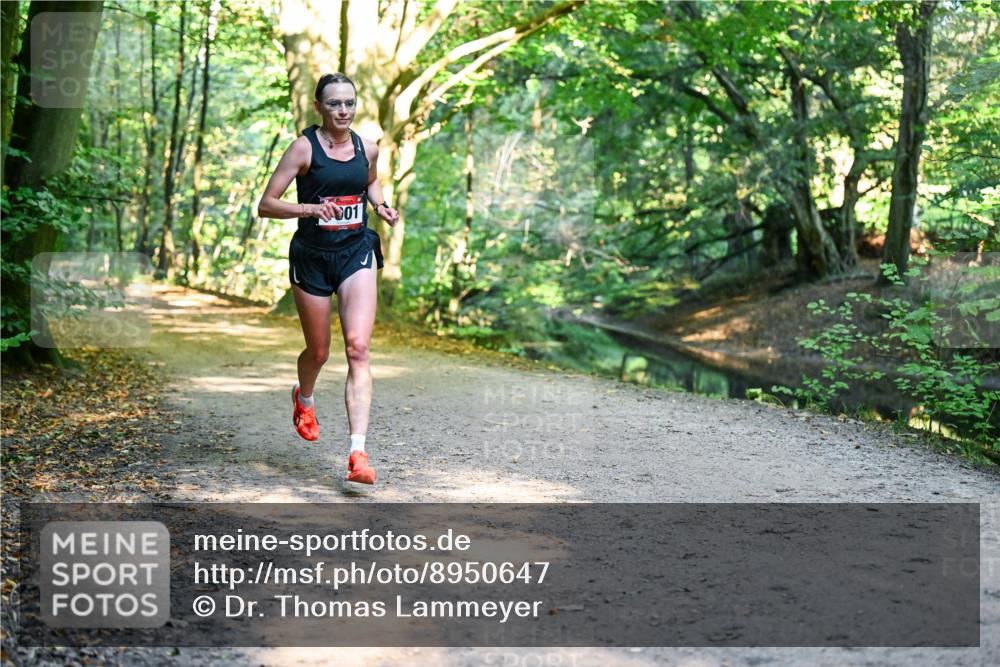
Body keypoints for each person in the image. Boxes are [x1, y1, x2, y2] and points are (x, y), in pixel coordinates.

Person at [257, 72, 399, 491]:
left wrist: (382, 206)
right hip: (313, 258)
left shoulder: (367, 148)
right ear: (318, 107)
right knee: (319, 351)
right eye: (334, 103)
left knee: (358, 348)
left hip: (356, 251)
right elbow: (266, 205)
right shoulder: (303, 148)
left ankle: (358, 453)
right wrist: (310, 210)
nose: (343, 111)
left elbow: (369, 181)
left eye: (349, 103)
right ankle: (304, 400)